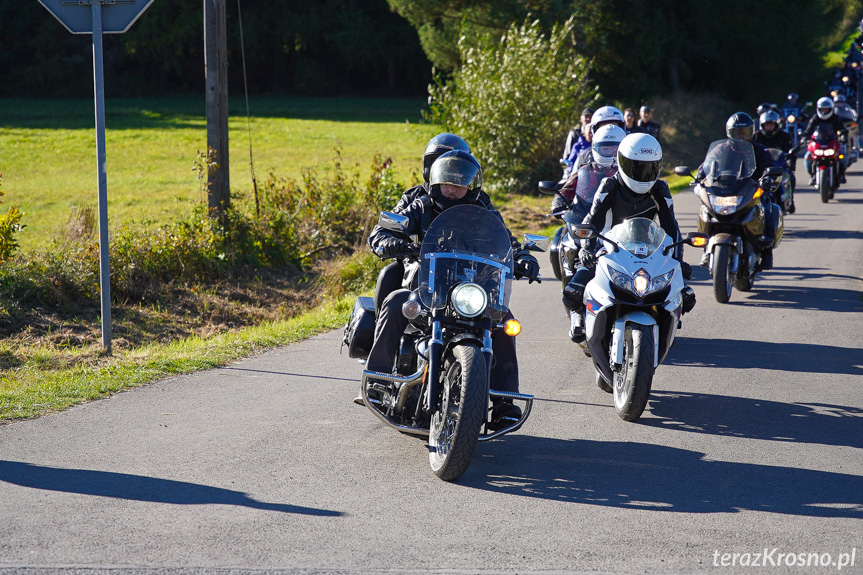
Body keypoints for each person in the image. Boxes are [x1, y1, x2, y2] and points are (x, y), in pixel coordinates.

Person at [365, 150, 540, 427]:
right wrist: (391, 242)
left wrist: (524, 258)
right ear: (436, 181)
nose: (452, 190)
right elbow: (381, 233)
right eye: (447, 183)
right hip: (427, 289)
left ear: (470, 186)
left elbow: (507, 241)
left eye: (459, 185)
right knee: (396, 301)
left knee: (506, 322)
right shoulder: (421, 206)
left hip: (472, 293)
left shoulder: (484, 211)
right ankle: (379, 380)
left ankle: (505, 403)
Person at [561, 133, 694, 344]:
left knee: (686, 296)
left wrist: (677, 262)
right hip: (608, 247)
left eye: (648, 168)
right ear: (622, 162)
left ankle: (666, 322)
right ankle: (578, 317)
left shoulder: (660, 189)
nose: (642, 174)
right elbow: (592, 220)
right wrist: (586, 249)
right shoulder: (609, 186)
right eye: (636, 167)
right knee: (573, 291)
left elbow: (671, 229)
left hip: (647, 250)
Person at [368, 133, 498, 316]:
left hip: (468, 274)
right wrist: (394, 243)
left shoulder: (477, 201)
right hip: (421, 270)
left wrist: (521, 255)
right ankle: (380, 331)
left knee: (503, 319)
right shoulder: (416, 200)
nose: (446, 172)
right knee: (390, 274)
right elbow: (386, 228)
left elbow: (501, 233)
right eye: (437, 163)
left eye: (453, 166)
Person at [550, 124, 626, 216]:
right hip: (586, 216)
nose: (609, 153)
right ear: (595, 148)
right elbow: (567, 189)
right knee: (565, 230)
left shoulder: (627, 171)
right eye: (605, 149)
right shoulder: (587, 170)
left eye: (614, 149)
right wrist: (559, 201)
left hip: (622, 218)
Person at [752, 110, 796, 212]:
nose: (769, 127)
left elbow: (791, 151)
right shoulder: (756, 136)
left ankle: (791, 201)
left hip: (780, 165)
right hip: (762, 167)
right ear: (762, 125)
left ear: (777, 125)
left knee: (791, 176)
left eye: (771, 125)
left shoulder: (785, 136)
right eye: (767, 125)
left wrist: (790, 163)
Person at [801, 97, 848, 185]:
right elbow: (808, 130)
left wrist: (843, 135)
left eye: (826, 109)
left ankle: (841, 174)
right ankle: (812, 175)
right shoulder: (815, 118)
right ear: (818, 109)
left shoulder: (835, 118)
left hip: (832, 142)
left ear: (831, 109)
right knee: (807, 157)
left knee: (843, 157)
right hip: (818, 142)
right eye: (822, 109)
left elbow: (842, 129)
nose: (824, 111)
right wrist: (805, 137)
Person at [568, 106, 626, 174]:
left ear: (622, 127)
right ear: (594, 130)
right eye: (603, 126)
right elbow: (575, 179)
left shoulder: (630, 152)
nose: (608, 129)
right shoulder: (586, 156)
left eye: (613, 126)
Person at [561, 108, 594, 174]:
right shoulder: (574, 134)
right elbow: (568, 155)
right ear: (581, 119)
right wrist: (567, 171)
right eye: (586, 117)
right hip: (577, 170)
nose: (588, 119)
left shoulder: (598, 135)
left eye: (591, 117)